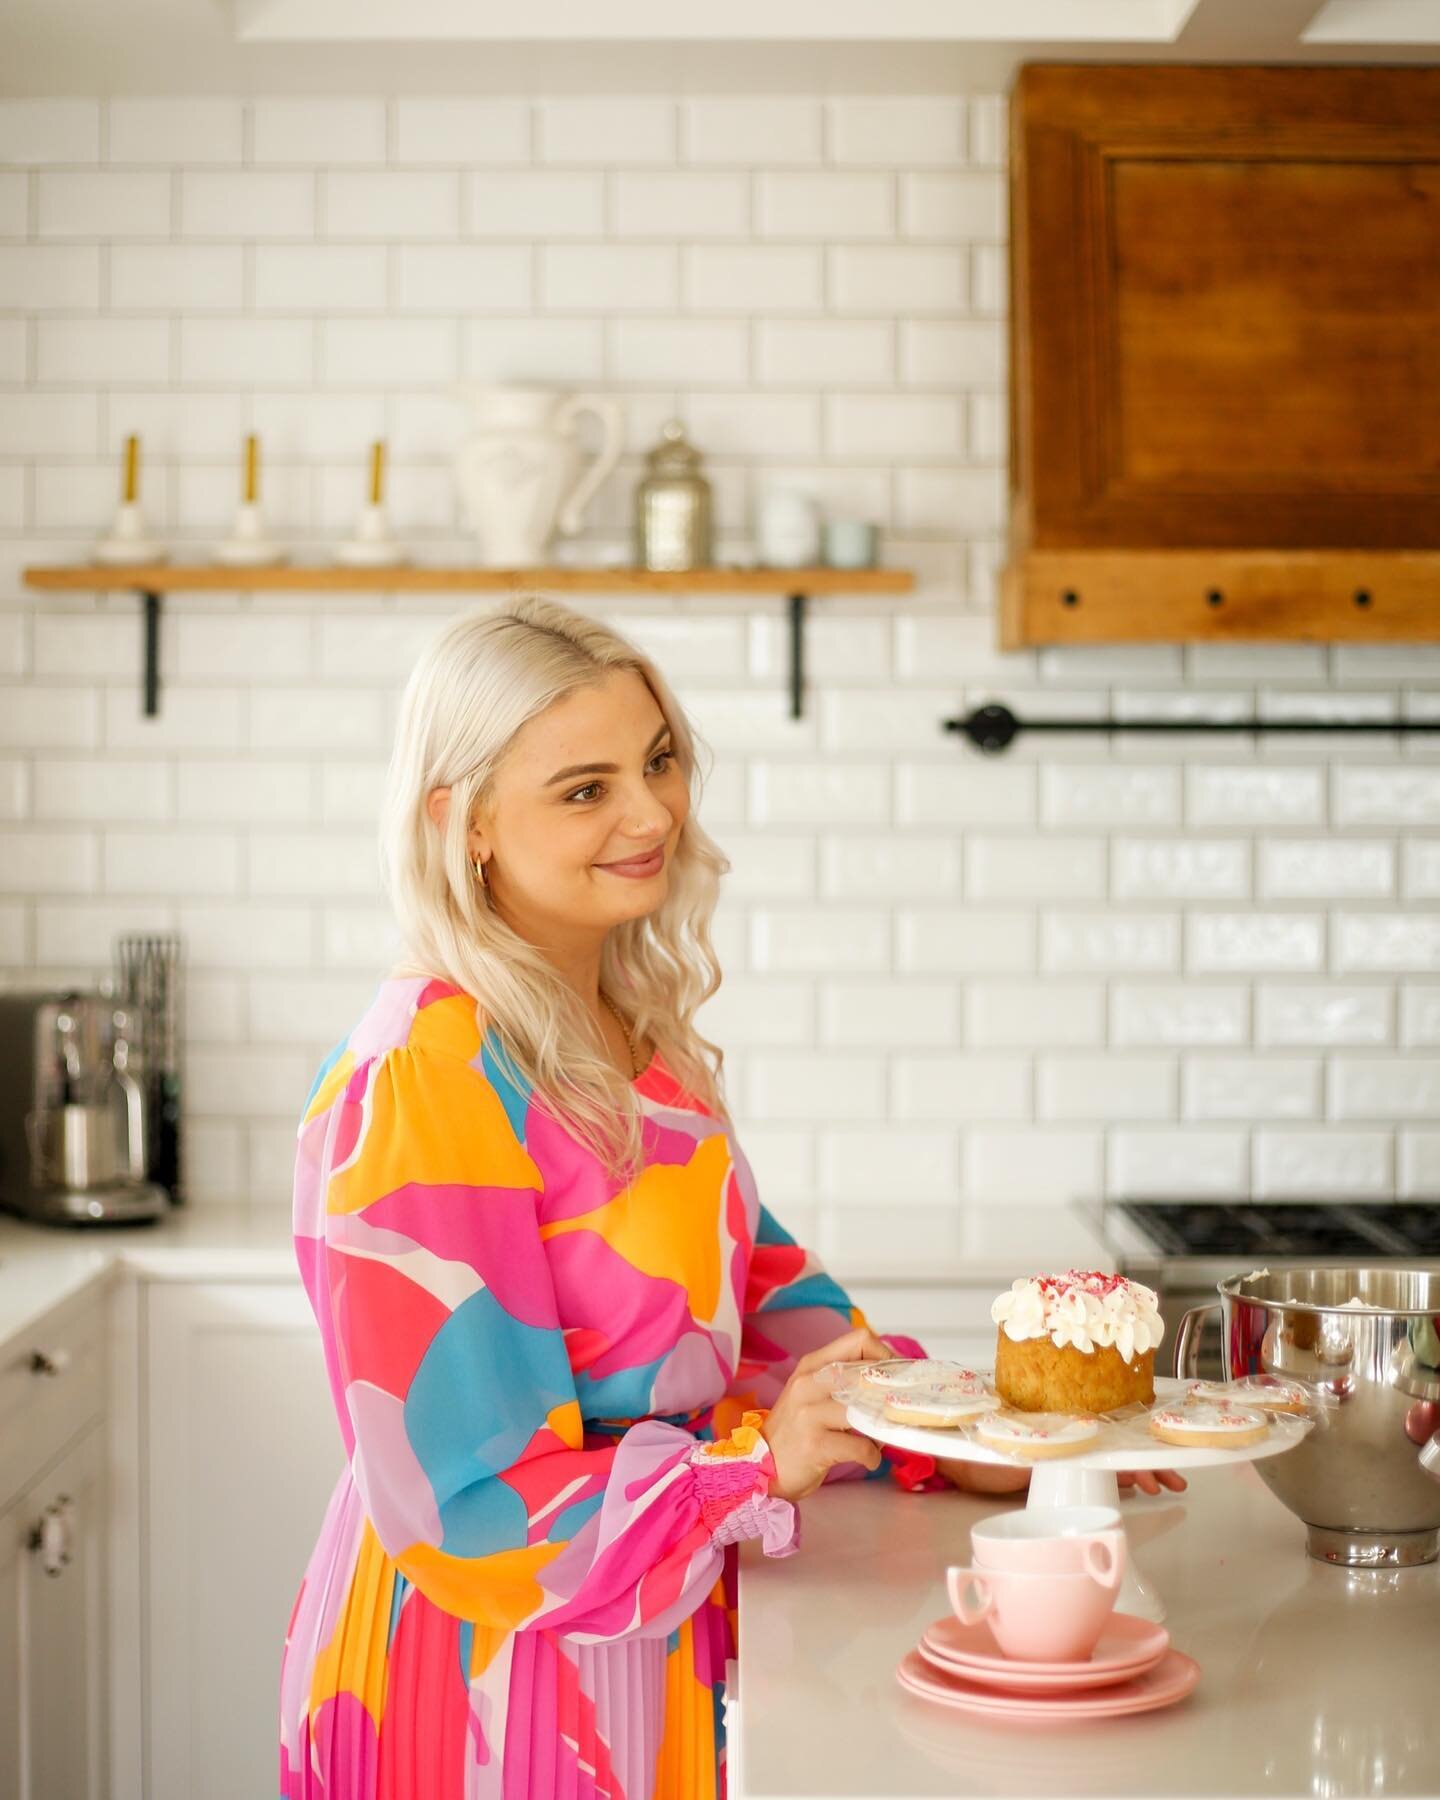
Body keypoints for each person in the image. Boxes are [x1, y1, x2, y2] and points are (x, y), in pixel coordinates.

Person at [279, 596, 1183, 1800]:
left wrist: (940, 1436)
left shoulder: (632, 1039)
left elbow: (754, 1303)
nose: (652, 813)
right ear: (464, 818)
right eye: (585, 788)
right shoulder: (429, 1074)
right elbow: (468, 1498)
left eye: (658, 763)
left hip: (654, 1623)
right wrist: (749, 1472)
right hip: (495, 1673)